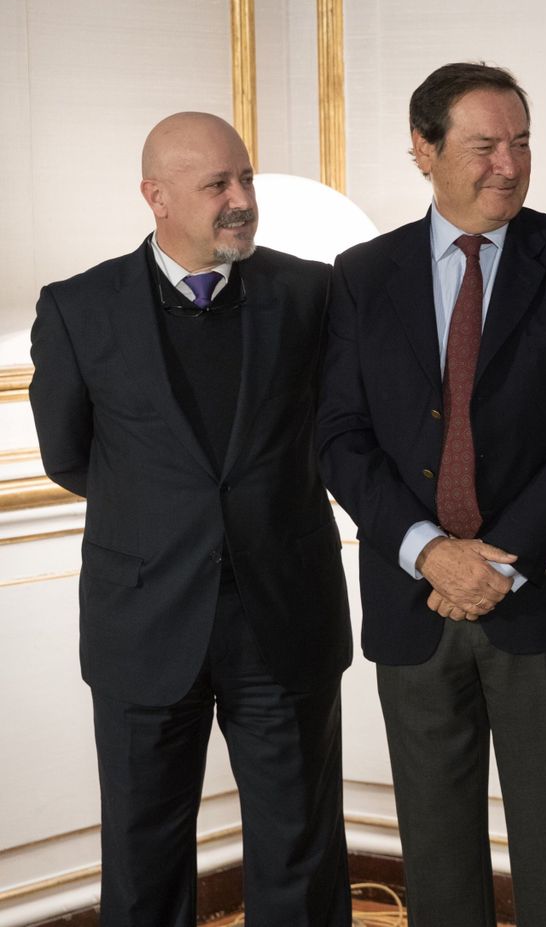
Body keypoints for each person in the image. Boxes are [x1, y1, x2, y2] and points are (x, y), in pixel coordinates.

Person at [317, 63, 546, 926]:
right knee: (436, 850)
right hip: (414, 600)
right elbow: (340, 438)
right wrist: (432, 552)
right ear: (423, 149)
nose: (509, 164)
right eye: (485, 145)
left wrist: (500, 562)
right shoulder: (360, 274)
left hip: (545, 596)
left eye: (521, 142)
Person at [29, 112, 351, 926]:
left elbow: (340, 434)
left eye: (245, 177)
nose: (242, 198)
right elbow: (72, 457)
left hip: (284, 612)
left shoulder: (312, 293)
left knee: (300, 852)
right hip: (144, 620)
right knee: (142, 860)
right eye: (218, 185)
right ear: (157, 197)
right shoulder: (77, 308)